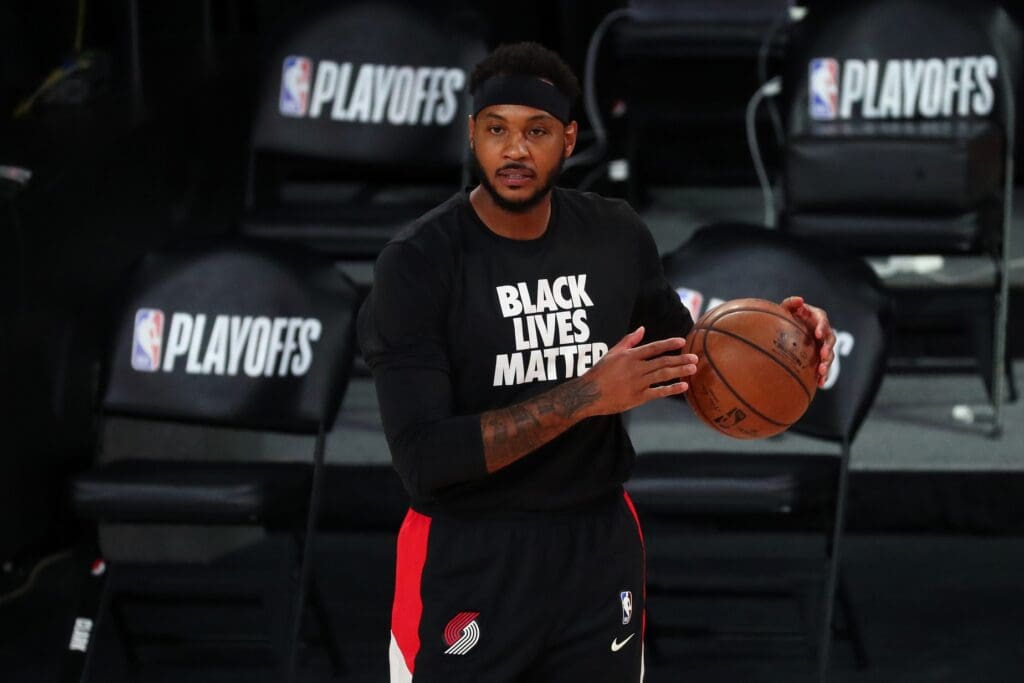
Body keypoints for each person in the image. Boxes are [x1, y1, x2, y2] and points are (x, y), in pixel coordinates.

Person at [358, 42, 837, 683]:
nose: (516, 151)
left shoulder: (613, 235)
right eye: (496, 129)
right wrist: (585, 396)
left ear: (570, 139)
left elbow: (687, 364)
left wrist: (789, 346)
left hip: (596, 544)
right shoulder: (418, 263)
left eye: (538, 131)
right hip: (469, 550)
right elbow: (424, 461)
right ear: (472, 135)